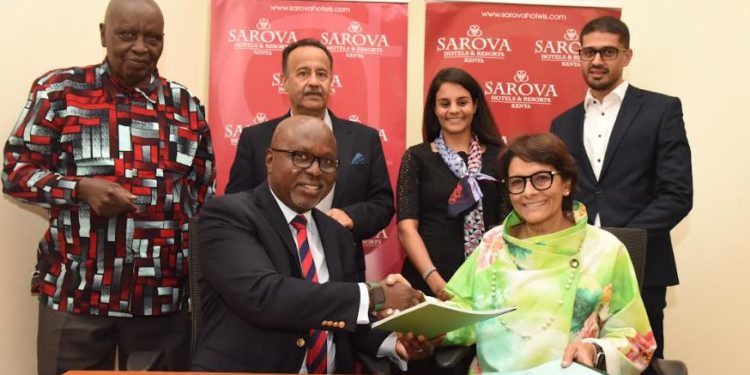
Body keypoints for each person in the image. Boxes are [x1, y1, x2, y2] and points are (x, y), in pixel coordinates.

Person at [1, 0, 215, 374]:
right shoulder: (61, 92)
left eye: (153, 37)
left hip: (160, 301)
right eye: (127, 35)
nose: (140, 47)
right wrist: (80, 189)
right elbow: (14, 172)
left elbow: (204, 198)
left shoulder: (187, 107)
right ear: (104, 34)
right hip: (78, 294)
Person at [193, 115, 432, 373]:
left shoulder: (336, 233)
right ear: (270, 160)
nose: (316, 171)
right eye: (301, 157)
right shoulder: (228, 215)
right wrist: (375, 295)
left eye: (327, 162)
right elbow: (264, 295)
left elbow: (342, 312)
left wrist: (393, 343)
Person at [442, 133, 655, 374]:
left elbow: (638, 342)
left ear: (567, 184)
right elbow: (462, 314)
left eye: (542, 178)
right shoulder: (493, 244)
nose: (528, 192)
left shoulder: (606, 249)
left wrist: (594, 350)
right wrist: (426, 328)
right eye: (517, 182)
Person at [550, 16, 692, 363]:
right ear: (579, 55)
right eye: (589, 52)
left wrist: (621, 241)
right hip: (574, 270)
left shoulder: (661, 110)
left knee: (640, 363)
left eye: (608, 52)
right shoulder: (562, 123)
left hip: (641, 268)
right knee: (576, 362)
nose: (597, 61)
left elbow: (677, 194)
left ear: (626, 55)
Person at [225, 38, 394, 281]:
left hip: (342, 274)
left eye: (322, 74)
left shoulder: (363, 139)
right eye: (303, 73)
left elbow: (383, 203)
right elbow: (238, 204)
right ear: (284, 81)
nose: (314, 82)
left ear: (331, 81)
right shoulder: (257, 139)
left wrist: (352, 216)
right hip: (272, 272)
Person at [397, 67, 506, 301]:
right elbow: (407, 229)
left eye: (462, 102)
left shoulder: (501, 158)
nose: (453, 110)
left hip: (488, 284)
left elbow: (507, 227)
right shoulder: (416, 157)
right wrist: (436, 282)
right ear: (435, 110)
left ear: (475, 106)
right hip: (427, 284)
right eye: (445, 104)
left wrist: (490, 277)